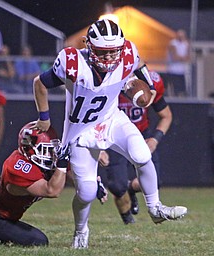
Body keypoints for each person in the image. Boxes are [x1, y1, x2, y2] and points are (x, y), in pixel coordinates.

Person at [32, 18, 187, 248]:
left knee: (142, 155)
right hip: (80, 131)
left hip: (111, 119)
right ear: (90, 47)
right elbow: (39, 83)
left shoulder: (127, 54)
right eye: (103, 52)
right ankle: (81, 230)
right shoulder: (73, 62)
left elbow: (139, 62)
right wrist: (44, 117)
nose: (109, 58)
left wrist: (148, 85)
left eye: (114, 52)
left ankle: (155, 208)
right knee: (86, 192)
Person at [98, 70, 173, 224]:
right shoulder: (107, 83)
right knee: (117, 187)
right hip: (114, 136)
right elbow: (93, 117)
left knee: (154, 183)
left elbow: (166, 115)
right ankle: (128, 221)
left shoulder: (150, 82)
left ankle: (131, 189)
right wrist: (98, 145)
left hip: (141, 134)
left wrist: (155, 139)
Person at [166, 29, 191, 96]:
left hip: (182, 71)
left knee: (183, 90)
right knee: (175, 90)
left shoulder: (186, 43)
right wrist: (183, 58)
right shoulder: (172, 43)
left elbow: (188, 58)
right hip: (173, 71)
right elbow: (175, 58)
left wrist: (180, 58)